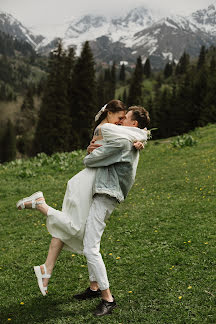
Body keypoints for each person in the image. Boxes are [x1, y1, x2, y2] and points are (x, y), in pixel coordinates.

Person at [16, 101, 150, 316]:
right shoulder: (129, 139)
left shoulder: (123, 143)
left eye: (125, 119)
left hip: (106, 195)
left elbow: (90, 161)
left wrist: (91, 152)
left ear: (133, 123)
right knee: (89, 238)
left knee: (90, 247)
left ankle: (108, 298)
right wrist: (139, 136)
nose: (120, 121)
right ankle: (94, 288)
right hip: (104, 192)